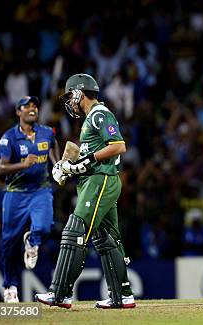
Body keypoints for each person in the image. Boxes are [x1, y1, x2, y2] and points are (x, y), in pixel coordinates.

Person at [35, 74, 136, 309]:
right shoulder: (91, 118)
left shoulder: (100, 114)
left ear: (80, 93)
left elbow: (118, 145)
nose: (70, 101)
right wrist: (69, 167)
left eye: (71, 95)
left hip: (100, 181)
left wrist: (86, 160)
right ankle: (122, 295)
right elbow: (90, 157)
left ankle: (59, 293)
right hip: (97, 180)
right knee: (107, 240)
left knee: (74, 230)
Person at [0, 95, 60, 303]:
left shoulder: (46, 132)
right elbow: (0, 167)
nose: (32, 108)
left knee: (44, 226)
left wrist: (57, 164)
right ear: (18, 112)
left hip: (40, 190)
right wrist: (22, 165)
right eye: (27, 106)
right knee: (9, 242)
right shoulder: (9, 137)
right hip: (15, 192)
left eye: (35, 106)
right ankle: (10, 287)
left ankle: (32, 241)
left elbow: (53, 145)